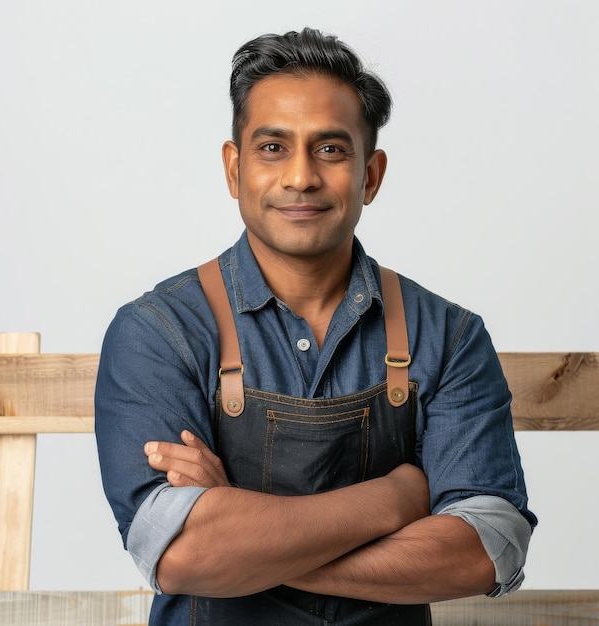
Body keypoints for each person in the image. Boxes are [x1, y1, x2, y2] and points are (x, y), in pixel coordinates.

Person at [95, 27, 537, 625]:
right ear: (234, 169)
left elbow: (486, 551)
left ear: (371, 175)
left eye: (330, 149)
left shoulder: (449, 337)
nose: (300, 177)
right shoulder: (159, 331)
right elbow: (178, 552)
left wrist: (240, 536)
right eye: (273, 148)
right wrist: (397, 497)